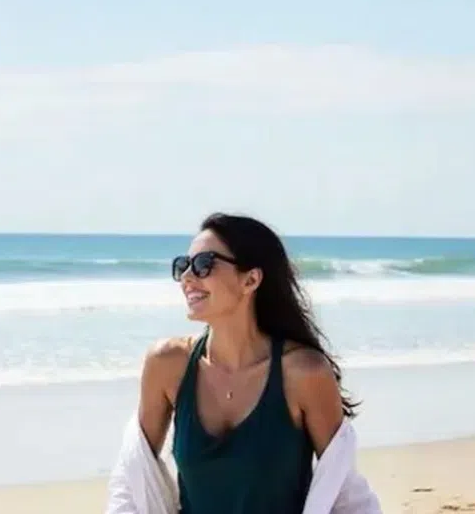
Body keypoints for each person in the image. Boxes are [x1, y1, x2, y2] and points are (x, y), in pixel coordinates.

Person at [134, 213, 360, 513]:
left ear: (251, 279)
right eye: (182, 265)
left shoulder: (304, 374)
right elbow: (135, 477)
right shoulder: (167, 364)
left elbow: (343, 492)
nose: (188, 277)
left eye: (204, 264)